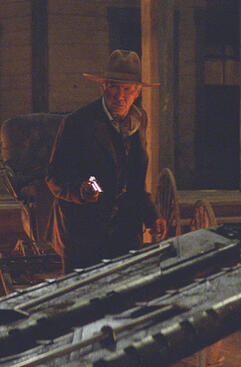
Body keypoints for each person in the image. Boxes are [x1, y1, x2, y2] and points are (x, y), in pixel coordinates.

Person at [46, 50, 166, 273]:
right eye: (113, 87)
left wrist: (151, 215)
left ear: (138, 91)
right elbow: (54, 177)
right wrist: (80, 191)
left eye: (127, 89)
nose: (120, 96)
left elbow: (136, 181)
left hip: (124, 233)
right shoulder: (77, 123)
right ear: (103, 87)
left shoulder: (140, 122)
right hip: (82, 234)